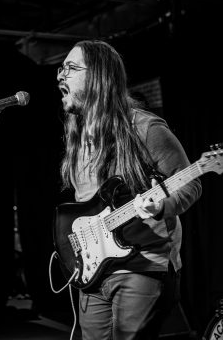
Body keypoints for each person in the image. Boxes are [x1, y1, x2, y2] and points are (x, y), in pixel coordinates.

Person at [56, 39, 202, 340]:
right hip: (95, 270)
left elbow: (190, 182)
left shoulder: (146, 128)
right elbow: (86, 204)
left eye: (70, 68)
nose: (60, 75)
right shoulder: (79, 137)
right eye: (61, 68)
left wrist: (161, 206)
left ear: (99, 76)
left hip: (143, 264)